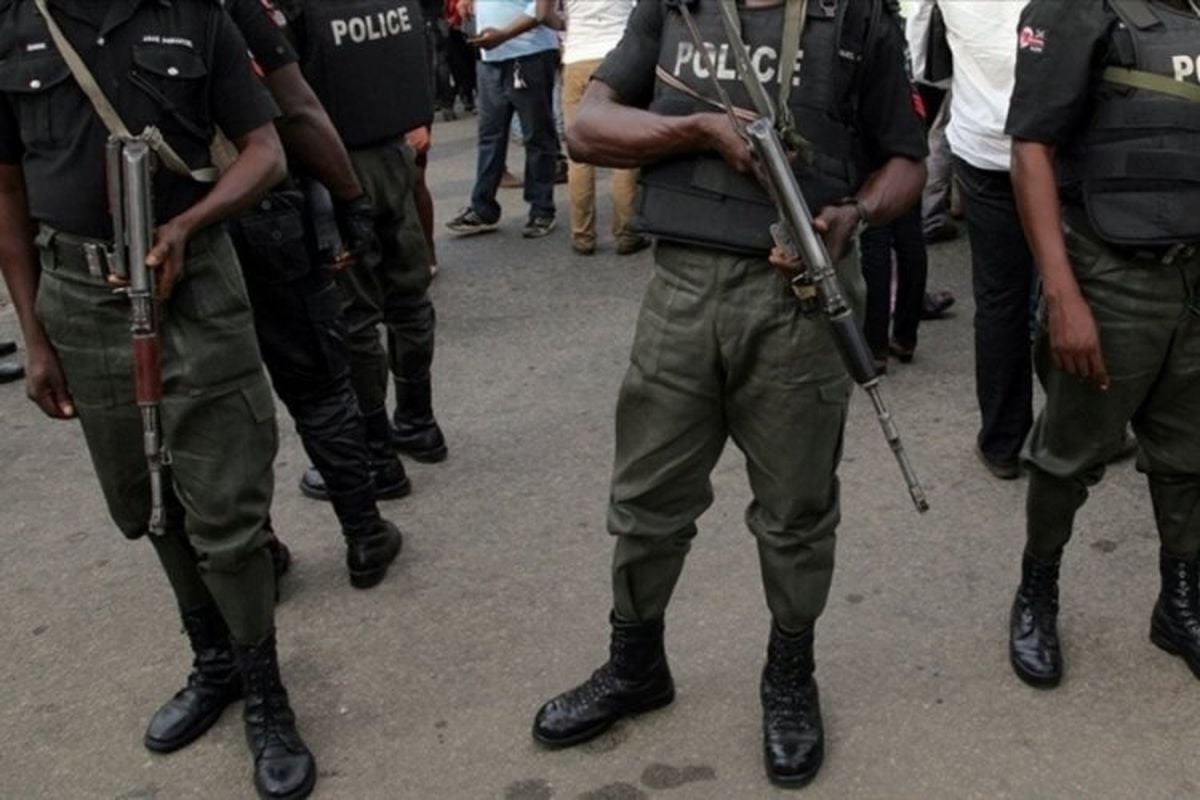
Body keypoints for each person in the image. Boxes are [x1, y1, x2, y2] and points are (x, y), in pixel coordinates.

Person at [530, 0, 927, 787]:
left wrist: (856, 213)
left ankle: (789, 676)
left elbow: (906, 164)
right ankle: (635, 663)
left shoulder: (856, 17)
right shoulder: (677, 7)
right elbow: (587, 129)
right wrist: (700, 130)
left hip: (799, 305)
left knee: (797, 512)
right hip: (681, 291)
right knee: (647, 499)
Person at [0, 1, 316, 797]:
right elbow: (6, 189)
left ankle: (265, 689)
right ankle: (214, 663)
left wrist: (189, 224)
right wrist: (35, 335)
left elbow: (265, 152)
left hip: (195, 285)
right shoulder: (13, 25)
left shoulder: (196, 15)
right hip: (79, 297)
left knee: (227, 510)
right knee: (145, 501)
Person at [1005, 0, 1200, 688]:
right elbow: (1030, 148)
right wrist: (1064, 296)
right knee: (1067, 457)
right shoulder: (1076, 10)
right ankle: (1037, 593)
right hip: (1110, 275)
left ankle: (1179, 603)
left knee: (1189, 456)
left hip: (1192, 278)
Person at [224, 0, 406, 590]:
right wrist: (350, 199)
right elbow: (298, 109)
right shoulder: (230, 9)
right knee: (320, 385)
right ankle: (364, 535)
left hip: (165, 233)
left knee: (216, 399)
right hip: (262, 213)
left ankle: (253, 553)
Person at [278, 0, 450, 493]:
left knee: (354, 315)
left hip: (337, 166)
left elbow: (287, 98)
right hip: (395, 152)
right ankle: (418, 422)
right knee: (408, 297)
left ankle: (376, 456)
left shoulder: (298, 9)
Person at [908, 0, 1035, 480]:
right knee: (1081, 285)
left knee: (1000, 298)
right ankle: (1081, 435)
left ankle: (1003, 440)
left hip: (984, 143)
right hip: (1062, 144)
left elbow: (922, 58)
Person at [445, 0, 561, 239]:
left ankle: (541, 208)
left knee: (537, 135)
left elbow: (540, 10)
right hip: (491, 57)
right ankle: (482, 207)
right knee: (490, 135)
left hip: (529, 54)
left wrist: (504, 35)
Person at [560, 0, 649, 257]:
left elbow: (544, 14)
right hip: (619, 56)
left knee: (579, 153)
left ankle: (582, 235)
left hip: (577, 58)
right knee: (624, 149)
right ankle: (626, 233)